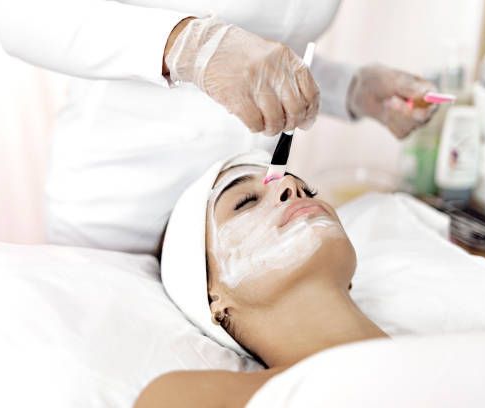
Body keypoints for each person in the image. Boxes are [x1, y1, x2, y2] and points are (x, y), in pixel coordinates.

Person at [0, 1, 437, 255]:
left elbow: (266, 46)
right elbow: (24, 17)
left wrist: (351, 88)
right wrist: (187, 44)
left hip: (244, 225)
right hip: (118, 213)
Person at [133, 151, 388, 406]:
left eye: (307, 191)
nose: (291, 185)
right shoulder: (190, 398)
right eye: (246, 201)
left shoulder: (427, 356)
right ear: (212, 296)